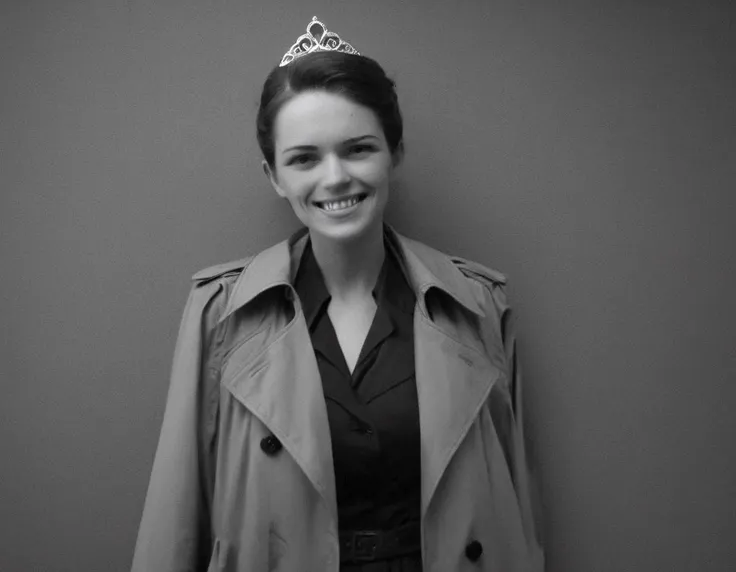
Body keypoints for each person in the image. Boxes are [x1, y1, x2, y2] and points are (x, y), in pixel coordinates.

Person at [131, 16, 544, 572]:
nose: (335, 178)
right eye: (304, 158)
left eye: (357, 149)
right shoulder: (220, 313)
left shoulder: (479, 306)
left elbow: (514, 513)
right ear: (274, 175)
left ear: (394, 154)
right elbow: (174, 518)